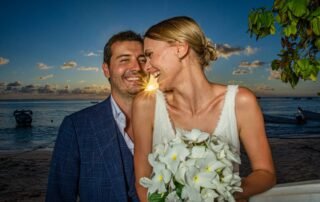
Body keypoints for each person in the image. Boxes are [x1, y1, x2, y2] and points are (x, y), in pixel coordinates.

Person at [133, 16, 276, 202]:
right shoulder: (145, 106)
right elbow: (142, 182)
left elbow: (265, 173)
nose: (146, 67)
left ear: (180, 48)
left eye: (150, 55)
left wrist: (226, 194)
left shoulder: (241, 102)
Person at [46, 30, 146, 202]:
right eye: (124, 59)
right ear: (106, 70)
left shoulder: (169, 120)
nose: (136, 67)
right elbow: (59, 196)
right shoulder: (76, 127)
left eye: (142, 60)